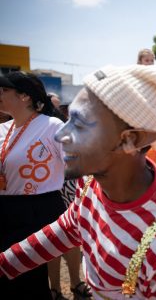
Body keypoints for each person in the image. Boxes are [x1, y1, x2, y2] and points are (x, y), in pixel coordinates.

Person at [0, 63, 156, 299]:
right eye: (69, 119)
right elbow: (63, 231)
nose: (60, 135)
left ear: (129, 140)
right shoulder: (91, 186)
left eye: (81, 124)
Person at [0, 73, 67, 299]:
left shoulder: (51, 126)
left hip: (37, 210)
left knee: (27, 281)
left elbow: (78, 163)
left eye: (4, 90)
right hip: (5, 209)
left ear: (25, 96)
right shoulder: (2, 129)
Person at [46, 93, 91, 300]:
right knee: (51, 239)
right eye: (56, 107)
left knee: (72, 237)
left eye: (62, 108)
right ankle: (54, 287)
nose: (60, 112)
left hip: (69, 186)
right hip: (47, 190)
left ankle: (76, 282)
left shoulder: (65, 130)